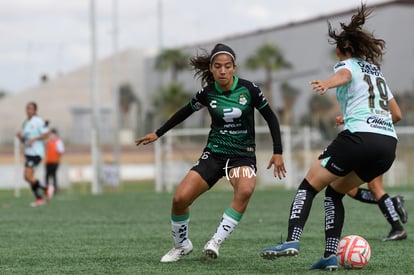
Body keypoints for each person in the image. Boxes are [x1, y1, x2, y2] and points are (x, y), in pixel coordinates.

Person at [260, 4, 400, 270]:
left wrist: (328, 83)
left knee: (309, 185)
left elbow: (344, 75)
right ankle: (330, 257)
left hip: (358, 139)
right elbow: (397, 114)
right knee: (335, 193)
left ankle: (292, 240)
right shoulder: (377, 73)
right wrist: (356, 119)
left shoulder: (346, 65)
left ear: (342, 49)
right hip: (387, 145)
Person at [135, 43, 286, 262]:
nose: (223, 70)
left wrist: (278, 151)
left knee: (245, 189)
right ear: (212, 69)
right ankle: (181, 245)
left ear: (234, 67)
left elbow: (271, 117)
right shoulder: (207, 93)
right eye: (218, 66)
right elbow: (184, 112)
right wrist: (158, 133)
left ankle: (215, 241)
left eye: (227, 66)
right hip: (214, 155)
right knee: (179, 199)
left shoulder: (250, 89)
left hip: (241, 156)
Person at [336, 113, 408, 241]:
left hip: (370, 142)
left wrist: (377, 125)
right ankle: (392, 202)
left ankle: (398, 229)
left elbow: (397, 115)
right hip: (362, 142)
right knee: (350, 190)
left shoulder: (373, 97)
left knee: (375, 187)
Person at [16, 102, 52, 207]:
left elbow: (46, 134)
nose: (28, 110)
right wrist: (20, 137)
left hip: (36, 153)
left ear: (35, 110)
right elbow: (25, 140)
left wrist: (35, 139)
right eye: (27, 108)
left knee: (27, 176)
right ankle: (40, 198)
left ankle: (46, 188)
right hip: (29, 153)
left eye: (30, 108)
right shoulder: (26, 123)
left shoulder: (38, 121)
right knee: (28, 177)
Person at [45, 127, 65, 195]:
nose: (52, 135)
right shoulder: (48, 141)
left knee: (53, 175)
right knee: (47, 176)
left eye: (53, 133)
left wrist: (58, 159)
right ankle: (47, 189)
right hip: (48, 161)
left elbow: (61, 151)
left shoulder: (58, 141)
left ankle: (55, 189)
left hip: (55, 161)